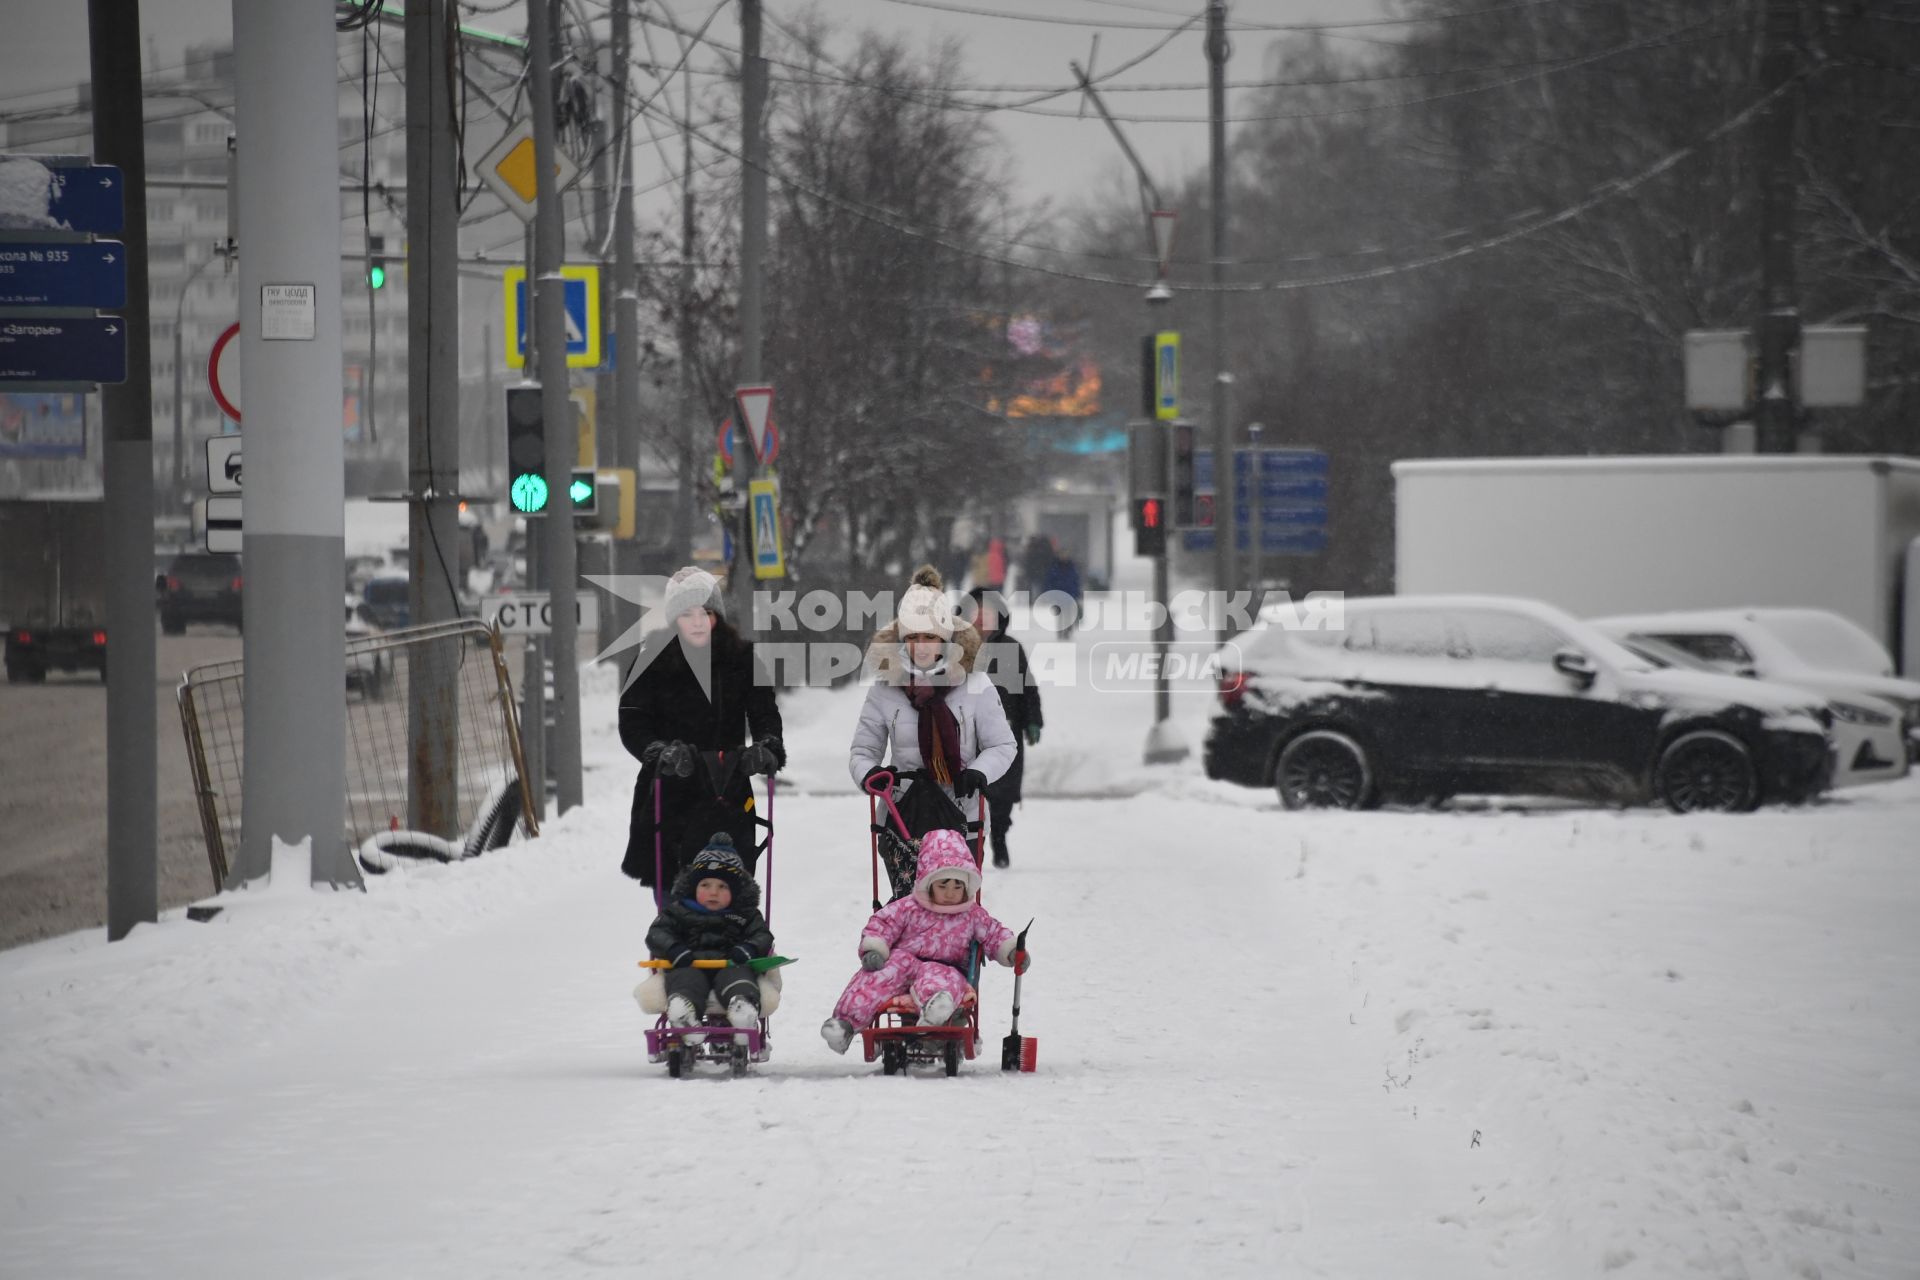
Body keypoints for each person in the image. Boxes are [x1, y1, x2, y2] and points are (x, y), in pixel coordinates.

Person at [619, 566, 784, 888]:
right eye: (687, 613)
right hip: (670, 791)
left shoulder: (743, 659)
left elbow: (765, 713)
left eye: (705, 612)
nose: (697, 621)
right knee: (674, 893)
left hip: (728, 790)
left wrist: (767, 748)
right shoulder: (650, 660)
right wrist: (660, 753)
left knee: (731, 888)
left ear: (717, 615)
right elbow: (633, 721)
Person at [819, 828, 1030, 1053]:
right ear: (928, 884)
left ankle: (936, 1009)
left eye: (958, 886)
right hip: (905, 961)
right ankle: (845, 1024)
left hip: (945, 967)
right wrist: (875, 947)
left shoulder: (972, 914)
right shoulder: (909, 907)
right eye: (943, 885)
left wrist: (1010, 951)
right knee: (878, 975)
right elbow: (883, 923)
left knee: (940, 979)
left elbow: (994, 933)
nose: (951, 893)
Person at [847, 565, 1017, 839]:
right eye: (913, 637)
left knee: (948, 885)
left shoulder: (976, 683)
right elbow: (862, 752)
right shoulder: (884, 688)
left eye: (930, 637)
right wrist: (870, 774)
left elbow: (1002, 745)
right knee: (912, 885)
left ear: (945, 638)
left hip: (963, 821)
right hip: (903, 820)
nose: (921, 646)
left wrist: (978, 771)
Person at [644, 834, 773, 1037]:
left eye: (722, 887)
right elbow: (657, 933)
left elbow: (762, 936)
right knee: (686, 981)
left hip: (730, 965)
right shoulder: (678, 911)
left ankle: (742, 1007)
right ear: (693, 887)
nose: (713, 892)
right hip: (689, 964)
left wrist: (748, 948)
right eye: (705, 885)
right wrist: (674, 950)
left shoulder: (744, 914)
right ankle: (684, 1012)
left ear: (736, 891)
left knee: (739, 979)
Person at [967, 587, 1042, 869]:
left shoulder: (1011, 649)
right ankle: (971, 843)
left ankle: (999, 836)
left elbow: (1027, 688)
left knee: (1003, 792)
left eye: (988, 615)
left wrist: (1033, 720)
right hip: (968, 734)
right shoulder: (957, 650)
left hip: (1006, 733)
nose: (981, 622)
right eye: (976, 614)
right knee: (971, 791)